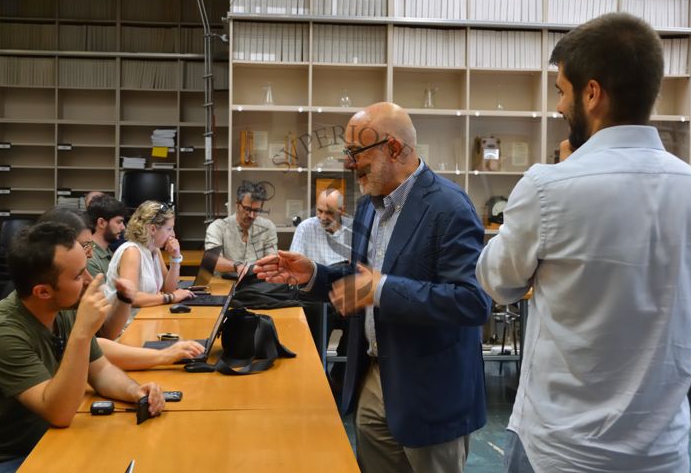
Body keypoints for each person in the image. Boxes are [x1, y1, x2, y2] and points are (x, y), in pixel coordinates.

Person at [475, 13, 691, 472]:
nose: (558, 107)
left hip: (560, 450)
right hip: (663, 452)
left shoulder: (548, 188)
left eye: (561, 91)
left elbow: (497, 283)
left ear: (592, 93)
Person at [255, 102, 491, 473]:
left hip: (431, 393)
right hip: (374, 380)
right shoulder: (369, 207)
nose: (348, 164)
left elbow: (472, 301)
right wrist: (314, 274)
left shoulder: (449, 207)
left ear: (394, 148)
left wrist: (382, 290)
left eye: (355, 153)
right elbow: (362, 277)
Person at [0, 222, 165, 471]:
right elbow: (59, 413)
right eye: (77, 276)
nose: (89, 280)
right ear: (42, 292)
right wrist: (82, 333)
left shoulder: (64, 308)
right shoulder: (0, 333)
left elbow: (102, 372)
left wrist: (136, 393)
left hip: (43, 438)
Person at [38, 207, 204, 367]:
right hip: (128, 327)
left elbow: (98, 349)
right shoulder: (132, 251)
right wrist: (164, 355)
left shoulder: (68, 302)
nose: (90, 253)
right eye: (85, 245)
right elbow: (97, 349)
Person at [104, 200, 194, 308]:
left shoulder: (155, 250)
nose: (173, 234)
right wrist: (170, 297)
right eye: (169, 229)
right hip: (128, 322)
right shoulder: (131, 252)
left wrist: (175, 259)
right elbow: (130, 297)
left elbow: (168, 289)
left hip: (145, 316)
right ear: (152, 229)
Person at [204, 181, 278, 275]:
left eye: (256, 210)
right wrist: (237, 266)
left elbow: (271, 259)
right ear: (237, 204)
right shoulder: (217, 227)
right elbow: (212, 260)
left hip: (256, 283)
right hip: (226, 284)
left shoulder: (268, 227)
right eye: (247, 209)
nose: (251, 215)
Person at [290, 188, 352, 266]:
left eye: (329, 212)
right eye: (320, 211)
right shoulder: (305, 228)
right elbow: (294, 264)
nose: (323, 217)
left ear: (341, 211)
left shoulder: (354, 229)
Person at [86, 194, 127, 278]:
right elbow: (103, 291)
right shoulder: (90, 257)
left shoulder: (107, 251)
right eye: (119, 222)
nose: (123, 227)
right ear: (101, 223)